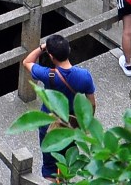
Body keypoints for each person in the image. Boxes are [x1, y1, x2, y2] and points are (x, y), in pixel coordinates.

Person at [21, 32, 95, 181]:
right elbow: (92, 102)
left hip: (49, 123)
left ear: (51, 57)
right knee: (67, 157)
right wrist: (86, 122)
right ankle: (64, 179)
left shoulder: (49, 75)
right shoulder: (84, 76)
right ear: (69, 50)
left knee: (49, 165)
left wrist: (42, 47)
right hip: (72, 123)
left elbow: (27, 62)